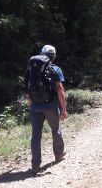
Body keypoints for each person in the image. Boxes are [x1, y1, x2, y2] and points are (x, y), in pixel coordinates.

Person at [24, 45, 67, 176]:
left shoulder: (31, 69)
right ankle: (59, 156)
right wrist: (64, 109)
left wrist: (31, 103)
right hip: (50, 106)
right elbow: (60, 90)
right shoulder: (55, 69)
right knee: (55, 130)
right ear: (53, 56)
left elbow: (27, 88)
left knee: (35, 135)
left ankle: (35, 166)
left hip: (35, 106)